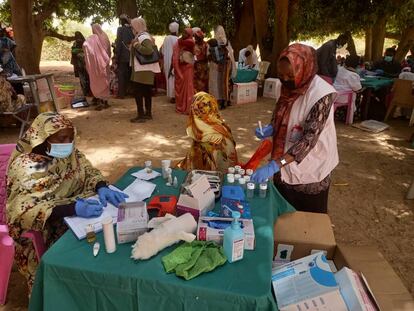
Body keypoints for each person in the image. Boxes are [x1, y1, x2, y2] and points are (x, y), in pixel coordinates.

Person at [6, 112, 128, 293]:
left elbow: (88, 171)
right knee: (76, 262)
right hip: (43, 227)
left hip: (76, 218)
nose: (67, 144)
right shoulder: (26, 167)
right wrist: (73, 208)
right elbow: (23, 211)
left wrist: (102, 187)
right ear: (43, 138)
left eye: (70, 138)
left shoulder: (70, 154)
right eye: (61, 139)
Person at [251, 43, 338, 214]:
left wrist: (275, 164)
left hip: (312, 167)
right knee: (284, 214)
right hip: (284, 163)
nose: (285, 80)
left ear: (304, 69)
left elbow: (308, 140)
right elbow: (282, 114)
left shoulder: (322, 95)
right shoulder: (288, 87)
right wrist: (271, 128)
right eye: (281, 75)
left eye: (290, 75)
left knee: (308, 221)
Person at [177, 92, 238, 172]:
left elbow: (195, 134)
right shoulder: (220, 124)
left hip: (208, 168)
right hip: (229, 169)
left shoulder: (195, 126)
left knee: (200, 148)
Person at [130, 17, 161, 123]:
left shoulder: (142, 37)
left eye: (132, 26)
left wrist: (136, 45)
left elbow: (148, 50)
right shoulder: (144, 36)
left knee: (138, 92)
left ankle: (141, 115)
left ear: (137, 26)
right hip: (145, 69)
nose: (131, 28)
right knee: (146, 92)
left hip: (142, 69)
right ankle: (147, 114)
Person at [208, 25, 236, 110]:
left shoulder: (212, 42)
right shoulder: (226, 41)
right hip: (225, 66)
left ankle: (216, 101)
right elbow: (231, 54)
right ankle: (225, 101)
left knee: (215, 84)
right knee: (224, 83)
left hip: (214, 66)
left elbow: (208, 55)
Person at [83, 24, 111, 110]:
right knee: (105, 81)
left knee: (98, 82)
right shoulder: (105, 36)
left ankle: (100, 101)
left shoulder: (94, 38)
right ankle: (105, 101)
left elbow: (85, 45)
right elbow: (108, 50)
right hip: (105, 63)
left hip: (97, 65)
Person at [172, 28, 195, 114]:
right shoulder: (178, 43)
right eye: (183, 32)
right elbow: (175, 59)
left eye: (186, 33)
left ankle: (187, 107)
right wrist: (177, 70)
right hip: (182, 68)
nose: (184, 34)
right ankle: (182, 106)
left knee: (188, 88)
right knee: (182, 87)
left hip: (188, 68)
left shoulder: (189, 42)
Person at [115, 14, 134, 98]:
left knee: (121, 75)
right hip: (132, 56)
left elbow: (119, 44)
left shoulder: (120, 29)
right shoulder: (132, 29)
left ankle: (121, 94)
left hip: (123, 57)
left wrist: (117, 57)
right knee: (130, 75)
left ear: (121, 21)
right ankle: (130, 92)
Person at [161, 22, 179, 103]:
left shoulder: (166, 38)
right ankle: (175, 95)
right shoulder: (177, 39)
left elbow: (162, 51)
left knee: (170, 78)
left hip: (167, 61)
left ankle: (172, 96)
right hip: (174, 61)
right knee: (174, 77)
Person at [71, 31, 90, 96]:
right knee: (84, 77)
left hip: (83, 63)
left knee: (84, 77)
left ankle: (86, 91)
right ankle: (86, 92)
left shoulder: (83, 43)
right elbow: (73, 51)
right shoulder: (83, 43)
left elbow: (73, 51)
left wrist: (78, 51)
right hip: (81, 63)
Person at [192, 28, 209, 93]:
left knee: (204, 82)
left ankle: (203, 97)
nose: (196, 38)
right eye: (195, 37)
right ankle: (197, 98)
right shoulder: (194, 44)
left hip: (203, 66)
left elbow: (208, 56)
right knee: (196, 82)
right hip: (196, 66)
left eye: (197, 37)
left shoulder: (206, 45)